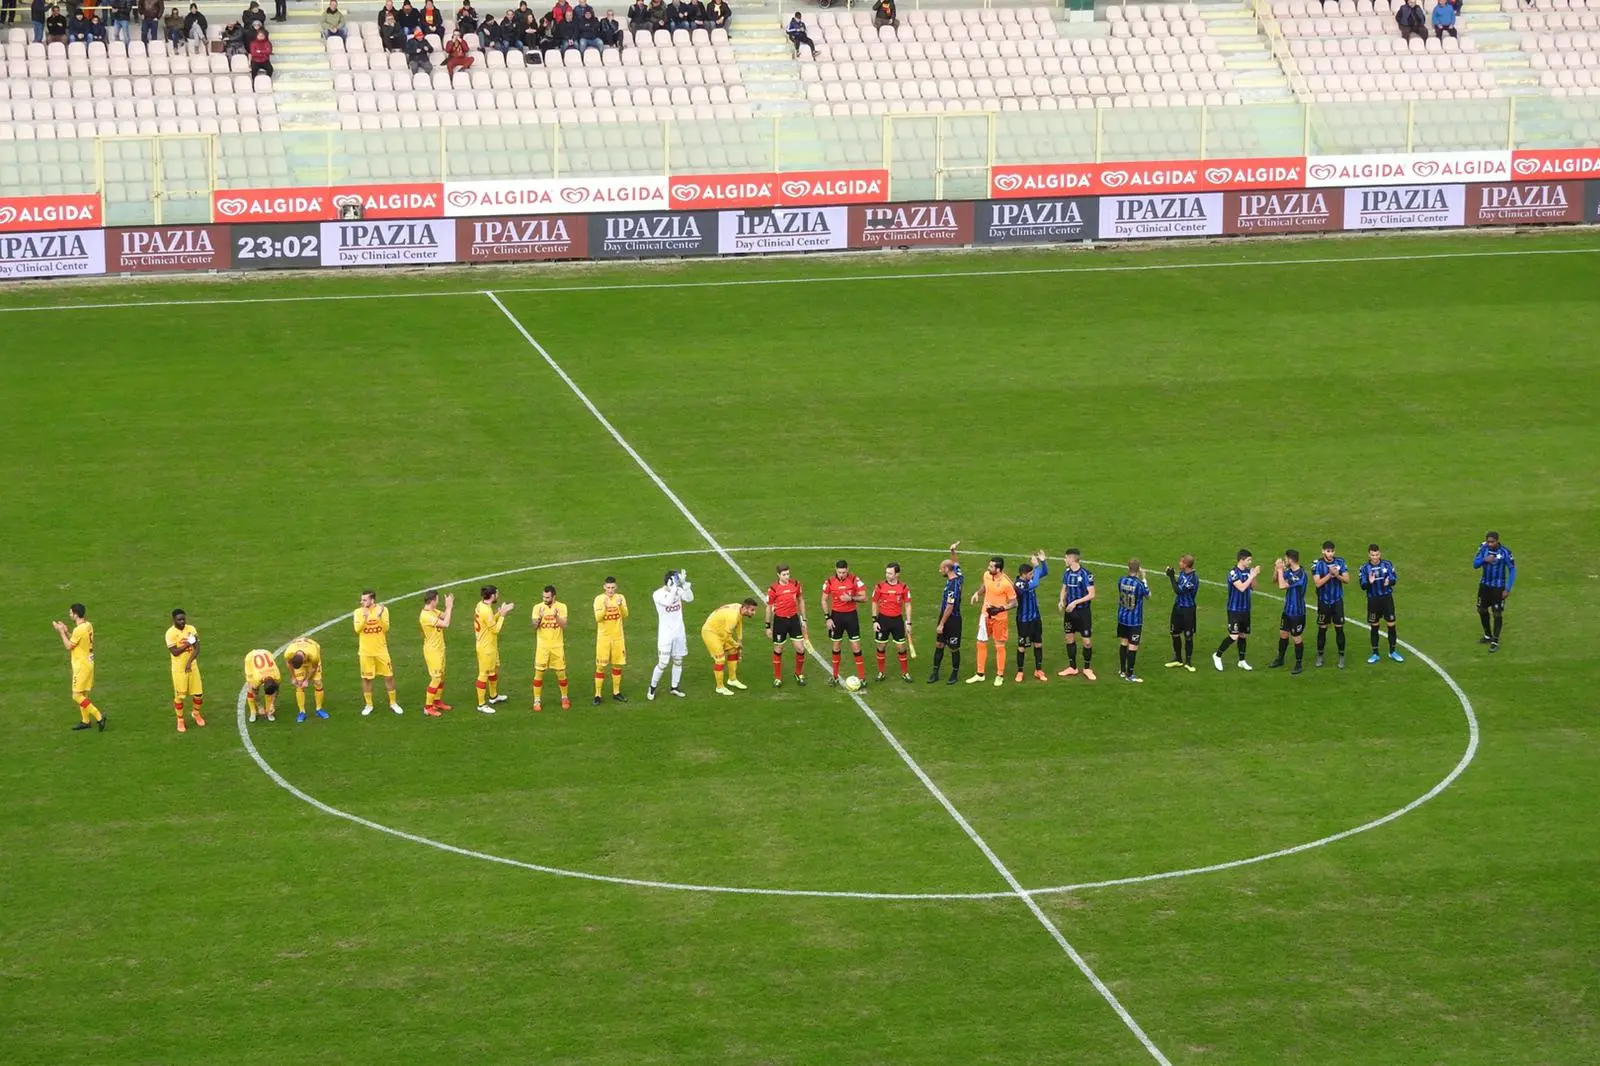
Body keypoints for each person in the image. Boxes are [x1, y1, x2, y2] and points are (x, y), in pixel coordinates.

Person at [53, 604, 105, 732]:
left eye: (71, 613)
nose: (70, 615)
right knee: (83, 694)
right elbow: (77, 640)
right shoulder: (88, 626)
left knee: (76, 696)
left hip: (81, 666)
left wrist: (61, 632)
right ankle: (85, 721)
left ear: (76, 614)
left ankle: (99, 716)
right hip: (89, 664)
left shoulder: (79, 630)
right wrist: (66, 631)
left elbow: (69, 646)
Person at [967, 555, 1015, 687]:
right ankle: (980, 674)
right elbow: (985, 586)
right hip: (985, 615)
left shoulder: (1006, 583)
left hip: (999, 618)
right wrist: (977, 593)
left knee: (999, 645)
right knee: (980, 642)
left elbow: (1014, 602)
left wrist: (1000, 609)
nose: (988, 568)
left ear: (998, 569)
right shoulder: (987, 575)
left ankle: (1000, 675)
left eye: (991, 566)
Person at [354, 589, 403, 716]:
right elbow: (357, 630)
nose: (362, 602)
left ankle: (393, 703)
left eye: (364, 599)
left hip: (381, 651)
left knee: (389, 676)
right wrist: (365, 618)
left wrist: (379, 616)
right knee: (367, 679)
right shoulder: (358, 612)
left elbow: (386, 628)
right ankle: (368, 705)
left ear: (372, 600)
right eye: (362, 599)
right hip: (366, 652)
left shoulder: (383, 610)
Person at [821, 559, 868, 688]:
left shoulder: (854, 580)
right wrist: (828, 618)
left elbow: (864, 597)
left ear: (848, 570)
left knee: (856, 647)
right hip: (836, 617)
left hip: (851, 616)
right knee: (836, 646)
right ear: (835, 570)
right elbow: (824, 600)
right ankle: (835, 676)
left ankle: (862, 678)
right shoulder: (829, 581)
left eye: (844, 572)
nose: (842, 574)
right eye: (839, 572)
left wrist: (851, 598)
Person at [648, 568, 693, 700]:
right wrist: (674, 588)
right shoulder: (657, 594)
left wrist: (684, 585)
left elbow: (690, 598)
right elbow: (668, 602)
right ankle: (652, 687)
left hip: (679, 632)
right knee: (663, 663)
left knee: (678, 661)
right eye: (676, 580)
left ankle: (674, 687)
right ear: (669, 581)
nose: (677, 583)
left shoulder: (678, 590)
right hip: (666, 634)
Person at [1212, 549, 1260, 671]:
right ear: (1242, 560)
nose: (1250, 562)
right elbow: (1242, 588)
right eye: (1249, 560)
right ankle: (1217, 655)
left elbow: (1253, 587)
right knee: (1234, 635)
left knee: (1243, 635)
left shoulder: (1249, 571)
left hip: (1246, 608)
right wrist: (1252, 576)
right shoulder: (1233, 573)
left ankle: (1242, 661)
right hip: (1234, 609)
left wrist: (1254, 576)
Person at [764, 564, 809, 687]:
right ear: (778, 575)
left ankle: (798, 673)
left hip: (794, 620)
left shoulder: (795, 584)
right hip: (780, 621)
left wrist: (804, 619)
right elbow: (768, 607)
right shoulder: (773, 589)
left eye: (788, 574)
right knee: (778, 649)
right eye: (784, 574)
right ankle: (778, 677)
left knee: (800, 648)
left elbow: (801, 600)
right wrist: (768, 626)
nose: (787, 576)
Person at [702, 599, 758, 696]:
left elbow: (739, 623)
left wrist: (739, 640)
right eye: (752, 610)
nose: (754, 613)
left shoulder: (739, 608)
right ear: (745, 608)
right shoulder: (733, 617)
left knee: (733, 651)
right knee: (720, 659)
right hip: (711, 632)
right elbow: (726, 636)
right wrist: (736, 644)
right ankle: (719, 687)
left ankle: (732, 680)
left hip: (720, 630)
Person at [1056, 547, 1096, 680]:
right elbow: (1064, 589)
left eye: (1066, 557)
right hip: (1069, 613)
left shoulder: (1086, 574)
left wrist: (1075, 603)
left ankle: (1087, 668)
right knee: (1069, 638)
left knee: (1087, 642)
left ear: (1072, 559)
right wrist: (1061, 601)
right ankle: (1072, 667)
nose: (1064, 560)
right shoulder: (1067, 573)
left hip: (1083, 613)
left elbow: (1092, 594)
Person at [472, 585, 514, 713]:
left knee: (493, 670)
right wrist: (503, 615)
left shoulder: (481, 605)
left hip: (489, 645)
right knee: (483, 674)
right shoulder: (486, 610)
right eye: (497, 593)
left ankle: (493, 696)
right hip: (486, 647)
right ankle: (481, 704)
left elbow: (489, 622)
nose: (498, 595)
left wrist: (498, 613)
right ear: (492, 596)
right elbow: (495, 629)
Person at [1359, 544, 1403, 665]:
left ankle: (1393, 651)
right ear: (1369, 555)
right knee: (1374, 626)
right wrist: (1369, 582)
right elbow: (1363, 586)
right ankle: (1375, 653)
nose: (1375, 557)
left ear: (1380, 554)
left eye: (1377, 554)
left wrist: (1390, 582)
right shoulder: (1364, 568)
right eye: (1373, 555)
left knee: (1391, 625)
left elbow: (1394, 578)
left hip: (1387, 599)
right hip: (1373, 601)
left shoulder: (1387, 564)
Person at [870, 562, 913, 683]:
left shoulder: (904, 588)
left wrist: (909, 623)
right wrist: (874, 620)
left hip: (897, 621)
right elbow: (874, 602)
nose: (887, 575)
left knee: (901, 647)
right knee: (881, 646)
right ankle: (881, 672)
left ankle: (905, 673)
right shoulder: (879, 586)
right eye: (886, 572)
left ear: (897, 574)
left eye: (890, 573)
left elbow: (908, 605)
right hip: (882, 620)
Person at [927, 541, 963, 685]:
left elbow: (949, 606)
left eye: (941, 568)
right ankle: (935, 672)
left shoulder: (953, 586)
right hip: (946, 618)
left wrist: (941, 624)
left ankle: (954, 673)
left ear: (947, 569)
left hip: (952, 620)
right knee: (939, 644)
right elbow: (956, 564)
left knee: (953, 647)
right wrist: (953, 551)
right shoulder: (958, 576)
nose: (939, 570)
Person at [1473, 530, 1515, 651]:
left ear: (1497, 541)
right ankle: (1488, 635)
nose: (1490, 544)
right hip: (1485, 585)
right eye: (1488, 541)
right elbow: (1475, 565)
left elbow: (1512, 570)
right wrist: (1484, 560)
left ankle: (1495, 641)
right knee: (1481, 609)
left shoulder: (1505, 552)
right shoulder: (1483, 548)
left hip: (1498, 587)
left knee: (1497, 612)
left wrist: (1507, 588)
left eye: (1492, 542)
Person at [165, 608, 205, 733]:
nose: (182, 621)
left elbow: (197, 648)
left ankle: (196, 713)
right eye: (179, 620)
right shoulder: (170, 633)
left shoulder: (191, 629)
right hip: (178, 670)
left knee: (198, 694)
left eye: (183, 619)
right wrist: (188, 644)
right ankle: (180, 720)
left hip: (192, 666)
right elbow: (175, 652)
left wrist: (189, 662)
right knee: (180, 696)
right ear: (174, 620)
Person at [1269, 549, 1309, 674]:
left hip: (1297, 612)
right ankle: (1280, 658)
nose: (1284, 561)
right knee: (1283, 634)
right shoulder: (1290, 571)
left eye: (1285, 559)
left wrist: (1281, 570)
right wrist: (1277, 569)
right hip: (1287, 610)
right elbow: (1275, 581)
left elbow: (1282, 586)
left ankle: (1298, 663)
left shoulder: (1300, 574)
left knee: (1296, 637)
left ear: (1291, 559)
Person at [531, 585, 570, 712]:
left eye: (547, 597)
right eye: (543, 596)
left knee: (561, 673)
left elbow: (564, 625)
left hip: (557, 647)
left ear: (554, 597)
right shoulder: (537, 607)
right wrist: (540, 617)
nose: (545, 599)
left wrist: (556, 616)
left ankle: (564, 697)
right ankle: (537, 700)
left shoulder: (562, 607)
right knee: (539, 673)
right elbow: (534, 627)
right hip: (542, 647)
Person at [1011, 551, 1048, 682]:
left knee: (1038, 644)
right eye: (1030, 574)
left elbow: (1045, 572)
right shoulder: (1019, 584)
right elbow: (1035, 583)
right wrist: (1036, 566)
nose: (1032, 576)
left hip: (1035, 618)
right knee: (1022, 646)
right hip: (1023, 620)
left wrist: (1042, 561)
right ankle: (1020, 671)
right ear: (1024, 574)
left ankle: (1038, 670)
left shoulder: (1030, 579)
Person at [1312, 540, 1349, 669]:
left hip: (1337, 600)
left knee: (1339, 628)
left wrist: (1337, 575)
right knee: (1322, 628)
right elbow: (1317, 583)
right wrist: (1330, 574)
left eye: (1332, 551)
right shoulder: (1317, 564)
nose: (1330, 553)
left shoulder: (1340, 562)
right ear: (1323, 551)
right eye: (1328, 551)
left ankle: (1341, 656)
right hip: (1323, 601)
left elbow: (1347, 579)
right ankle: (1320, 656)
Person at [592, 577, 629, 705]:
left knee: (617, 665)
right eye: (608, 588)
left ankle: (616, 692)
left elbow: (625, 615)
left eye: (613, 588)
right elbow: (598, 618)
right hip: (604, 639)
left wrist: (620, 606)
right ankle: (597, 695)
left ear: (616, 587)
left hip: (618, 638)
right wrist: (605, 608)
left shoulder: (620, 598)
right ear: (604, 587)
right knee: (601, 666)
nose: (610, 590)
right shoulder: (599, 599)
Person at [418, 589, 455, 717]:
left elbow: (445, 616)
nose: (438, 601)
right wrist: (449, 606)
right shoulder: (426, 616)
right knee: (436, 678)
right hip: (432, 651)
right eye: (437, 599)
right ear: (433, 601)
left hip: (439, 649)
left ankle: (437, 701)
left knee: (441, 676)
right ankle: (427, 707)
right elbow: (446, 623)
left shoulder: (433, 611)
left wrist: (448, 607)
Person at [1115, 559, 1151, 683]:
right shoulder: (1139, 584)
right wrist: (1144, 578)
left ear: (1128, 568)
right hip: (1134, 620)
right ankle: (1130, 674)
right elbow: (1148, 595)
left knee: (1123, 642)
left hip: (1122, 617)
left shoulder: (1121, 580)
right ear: (1138, 569)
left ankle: (1122, 670)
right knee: (1133, 646)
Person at [1163, 554, 1199, 671]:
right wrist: (1172, 576)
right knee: (1175, 633)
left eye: (1181, 562)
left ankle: (1188, 662)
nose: (1179, 563)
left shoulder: (1193, 578)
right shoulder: (1183, 574)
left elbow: (1179, 591)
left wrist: (1171, 577)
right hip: (1178, 607)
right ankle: (1178, 659)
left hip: (1188, 610)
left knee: (1188, 636)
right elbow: (1178, 584)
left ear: (1186, 564)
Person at [284, 636, 328, 722]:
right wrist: (293, 677)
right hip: (299, 650)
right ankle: (302, 712)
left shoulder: (314, 654)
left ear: (304, 659)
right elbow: (289, 664)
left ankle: (319, 709)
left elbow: (314, 668)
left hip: (312, 658)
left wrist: (307, 679)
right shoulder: (289, 653)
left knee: (318, 682)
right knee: (299, 684)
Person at [243, 648, 281, 724]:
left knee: (270, 692)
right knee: (250, 688)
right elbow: (255, 693)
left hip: (266, 653)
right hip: (251, 659)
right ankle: (253, 711)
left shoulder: (277, 676)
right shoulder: (256, 679)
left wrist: (272, 704)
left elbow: (276, 690)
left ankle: (268, 710)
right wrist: (260, 706)